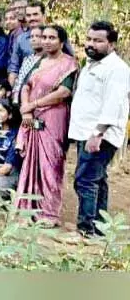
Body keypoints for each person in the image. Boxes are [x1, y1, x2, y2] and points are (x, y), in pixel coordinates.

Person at [69, 21, 130, 238]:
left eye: (98, 41)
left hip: (98, 135)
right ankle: (99, 227)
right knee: (97, 180)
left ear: (112, 44)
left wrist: (97, 134)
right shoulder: (91, 64)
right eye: (89, 39)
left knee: (85, 180)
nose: (91, 44)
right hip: (85, 131)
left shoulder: (117, 69)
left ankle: (85, 229)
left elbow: (113, 104)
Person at [15, 25, 78, 227]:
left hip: (53, 118)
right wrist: (25, 109)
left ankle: (48, 214)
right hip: (31, 117)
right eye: (45, 37)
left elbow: (63, 93)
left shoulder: (68, 64)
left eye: (52, 37)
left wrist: (33, 105)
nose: (47, 41)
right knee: (31, 162)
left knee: (50, 164)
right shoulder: (38, 60)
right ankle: (27, 210)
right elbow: (26, 85)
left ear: (61, 42)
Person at [8, 0, 73, 87]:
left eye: (35, 14)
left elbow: (70, 61)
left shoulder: (56, 33)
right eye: (28, 15)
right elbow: (14, 68)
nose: (32, 18)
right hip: (25, 88)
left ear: (43, 16)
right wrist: (13, 92)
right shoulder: (21, 39)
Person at [11, 26, 44, 105]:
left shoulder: (47, 60)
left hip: (34, 101)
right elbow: (20, 80)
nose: (33, 39)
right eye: (31, 37)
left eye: (38, 36)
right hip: (18, 101)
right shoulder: (27, 59)